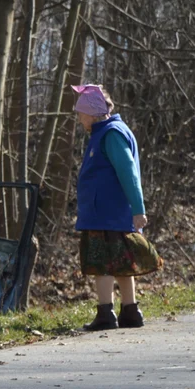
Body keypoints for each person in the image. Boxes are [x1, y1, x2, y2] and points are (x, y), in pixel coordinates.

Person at [71, 84, 162, 331]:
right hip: (107, 213)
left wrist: (138, 208)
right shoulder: (106, 132)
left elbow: (128, 171)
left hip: (107, 214)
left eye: (80, 113)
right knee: (122, 263)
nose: (79, 119)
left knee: (103, 264)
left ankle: (105, 313)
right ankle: (130, 311)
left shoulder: (111, 134)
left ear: (91, 113)